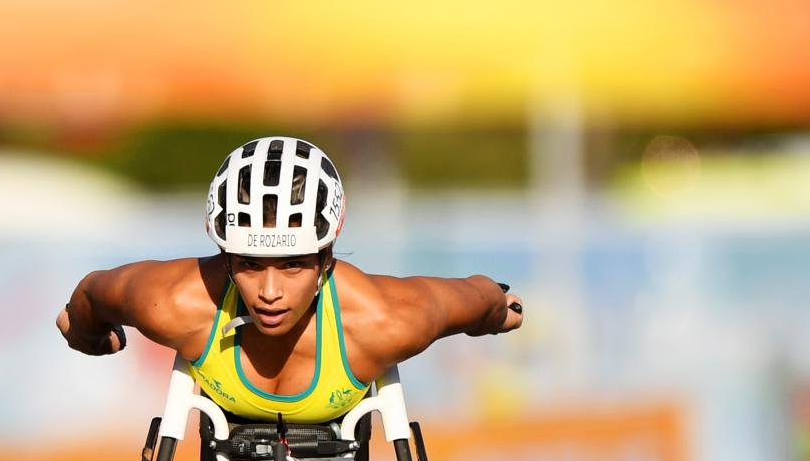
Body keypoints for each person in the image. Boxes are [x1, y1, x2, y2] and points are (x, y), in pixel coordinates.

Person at [57, 136, 522, 423]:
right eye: (251, 265)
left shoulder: (389, 319)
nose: (270, 292)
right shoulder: (175, 302)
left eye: (293, 265)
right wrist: (85, 334)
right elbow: (93, 294)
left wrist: (499, 310)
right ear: (226, 255)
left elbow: (474, 298)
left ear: (325, 256)